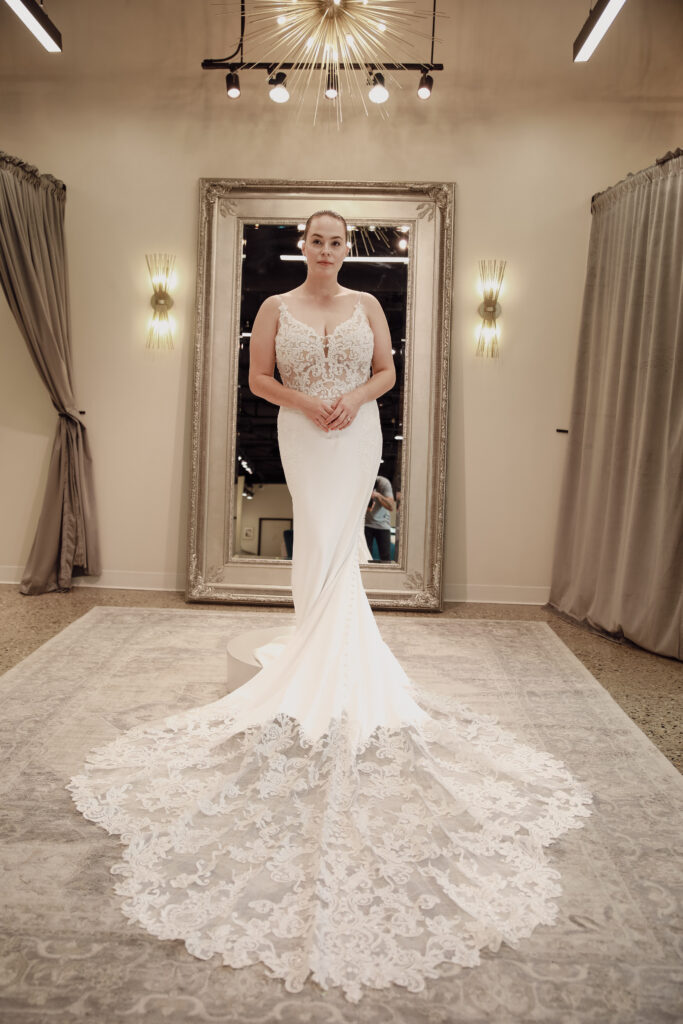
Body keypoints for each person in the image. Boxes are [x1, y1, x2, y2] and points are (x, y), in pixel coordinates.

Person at [67, 210, 593, 1005]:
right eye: (314, 240)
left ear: (347, 250)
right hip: (300, 430)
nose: (324, 250)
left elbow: (387, 372)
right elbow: (256, 381)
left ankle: (331, 651)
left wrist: (350, 396)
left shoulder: (370, 306)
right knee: (312, 539)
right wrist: (309, 404)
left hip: (358, 433)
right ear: (301, 248)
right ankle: (316, 647)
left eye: (335, 241)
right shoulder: (274, 306)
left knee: (342, 538)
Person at [365, 475, 395, 561]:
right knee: (366, 558)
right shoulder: (364, 481)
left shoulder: (383, 483)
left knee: (385, 557)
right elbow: (368, 509)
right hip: (366, 524)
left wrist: (378, 495)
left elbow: (391, 507)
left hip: (383, 524)